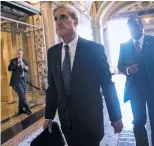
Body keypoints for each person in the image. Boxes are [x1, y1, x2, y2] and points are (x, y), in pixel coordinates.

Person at [43, 4, 123, 146]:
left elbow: (107, 84)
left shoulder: (94, 49)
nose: (58, 22)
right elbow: (53, 88)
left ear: (75, 21)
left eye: (63, 17)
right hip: (67, 122)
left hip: (90, 121)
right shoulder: (53, 52)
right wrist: (48, 116)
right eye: (55, 19)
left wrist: (115, 116)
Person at [118, 16, 154, 146]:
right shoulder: (124, 46)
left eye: (136, 25)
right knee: (138, 122)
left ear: (142, 26)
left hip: (152, 88)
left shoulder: (152, 41)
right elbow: (120, 66)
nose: (133, 29)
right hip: (135, 90)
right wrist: (128, 70)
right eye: (130, 27)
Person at [8, 49, 32, 115]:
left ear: (22, 54)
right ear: (16, 54)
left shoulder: (25, 61)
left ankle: (21, 110)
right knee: (22, 94)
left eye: (20, 53)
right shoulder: (13, 61)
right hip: (16, 81)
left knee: (22, 95)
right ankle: (27, 109)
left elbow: (27, 69)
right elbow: (9, 69)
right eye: (18, 53)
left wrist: (24, 66)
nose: (19, 54)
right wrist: (17, 65)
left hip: (23, 80)